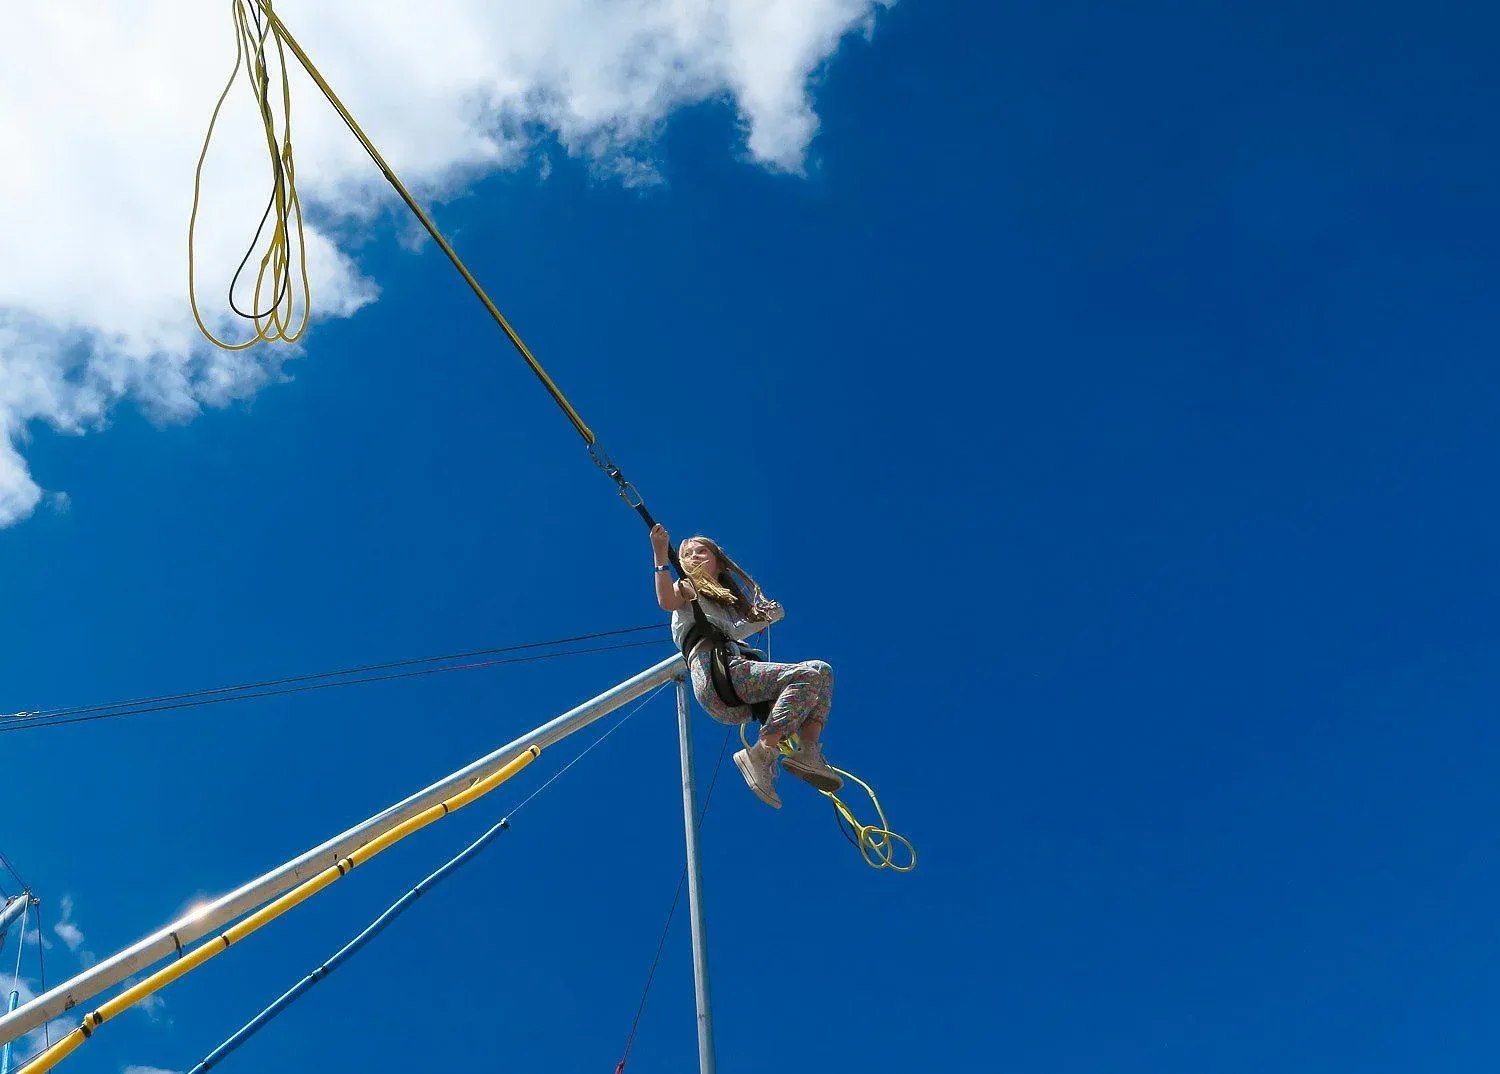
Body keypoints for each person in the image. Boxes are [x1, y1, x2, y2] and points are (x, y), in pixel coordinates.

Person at [650, 523, 841, 808]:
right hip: (715, 676)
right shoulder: (685, 588)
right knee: (804, 676)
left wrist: (764, 617)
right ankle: (762, 753)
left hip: (735, 681)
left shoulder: (723, 607)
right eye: (688, 554)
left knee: (820, 670)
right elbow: (666, 599)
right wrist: (660, 556)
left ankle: (808, 752)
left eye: (701, 551)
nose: (693, 557)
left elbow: (736, 632)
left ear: (718, 561)